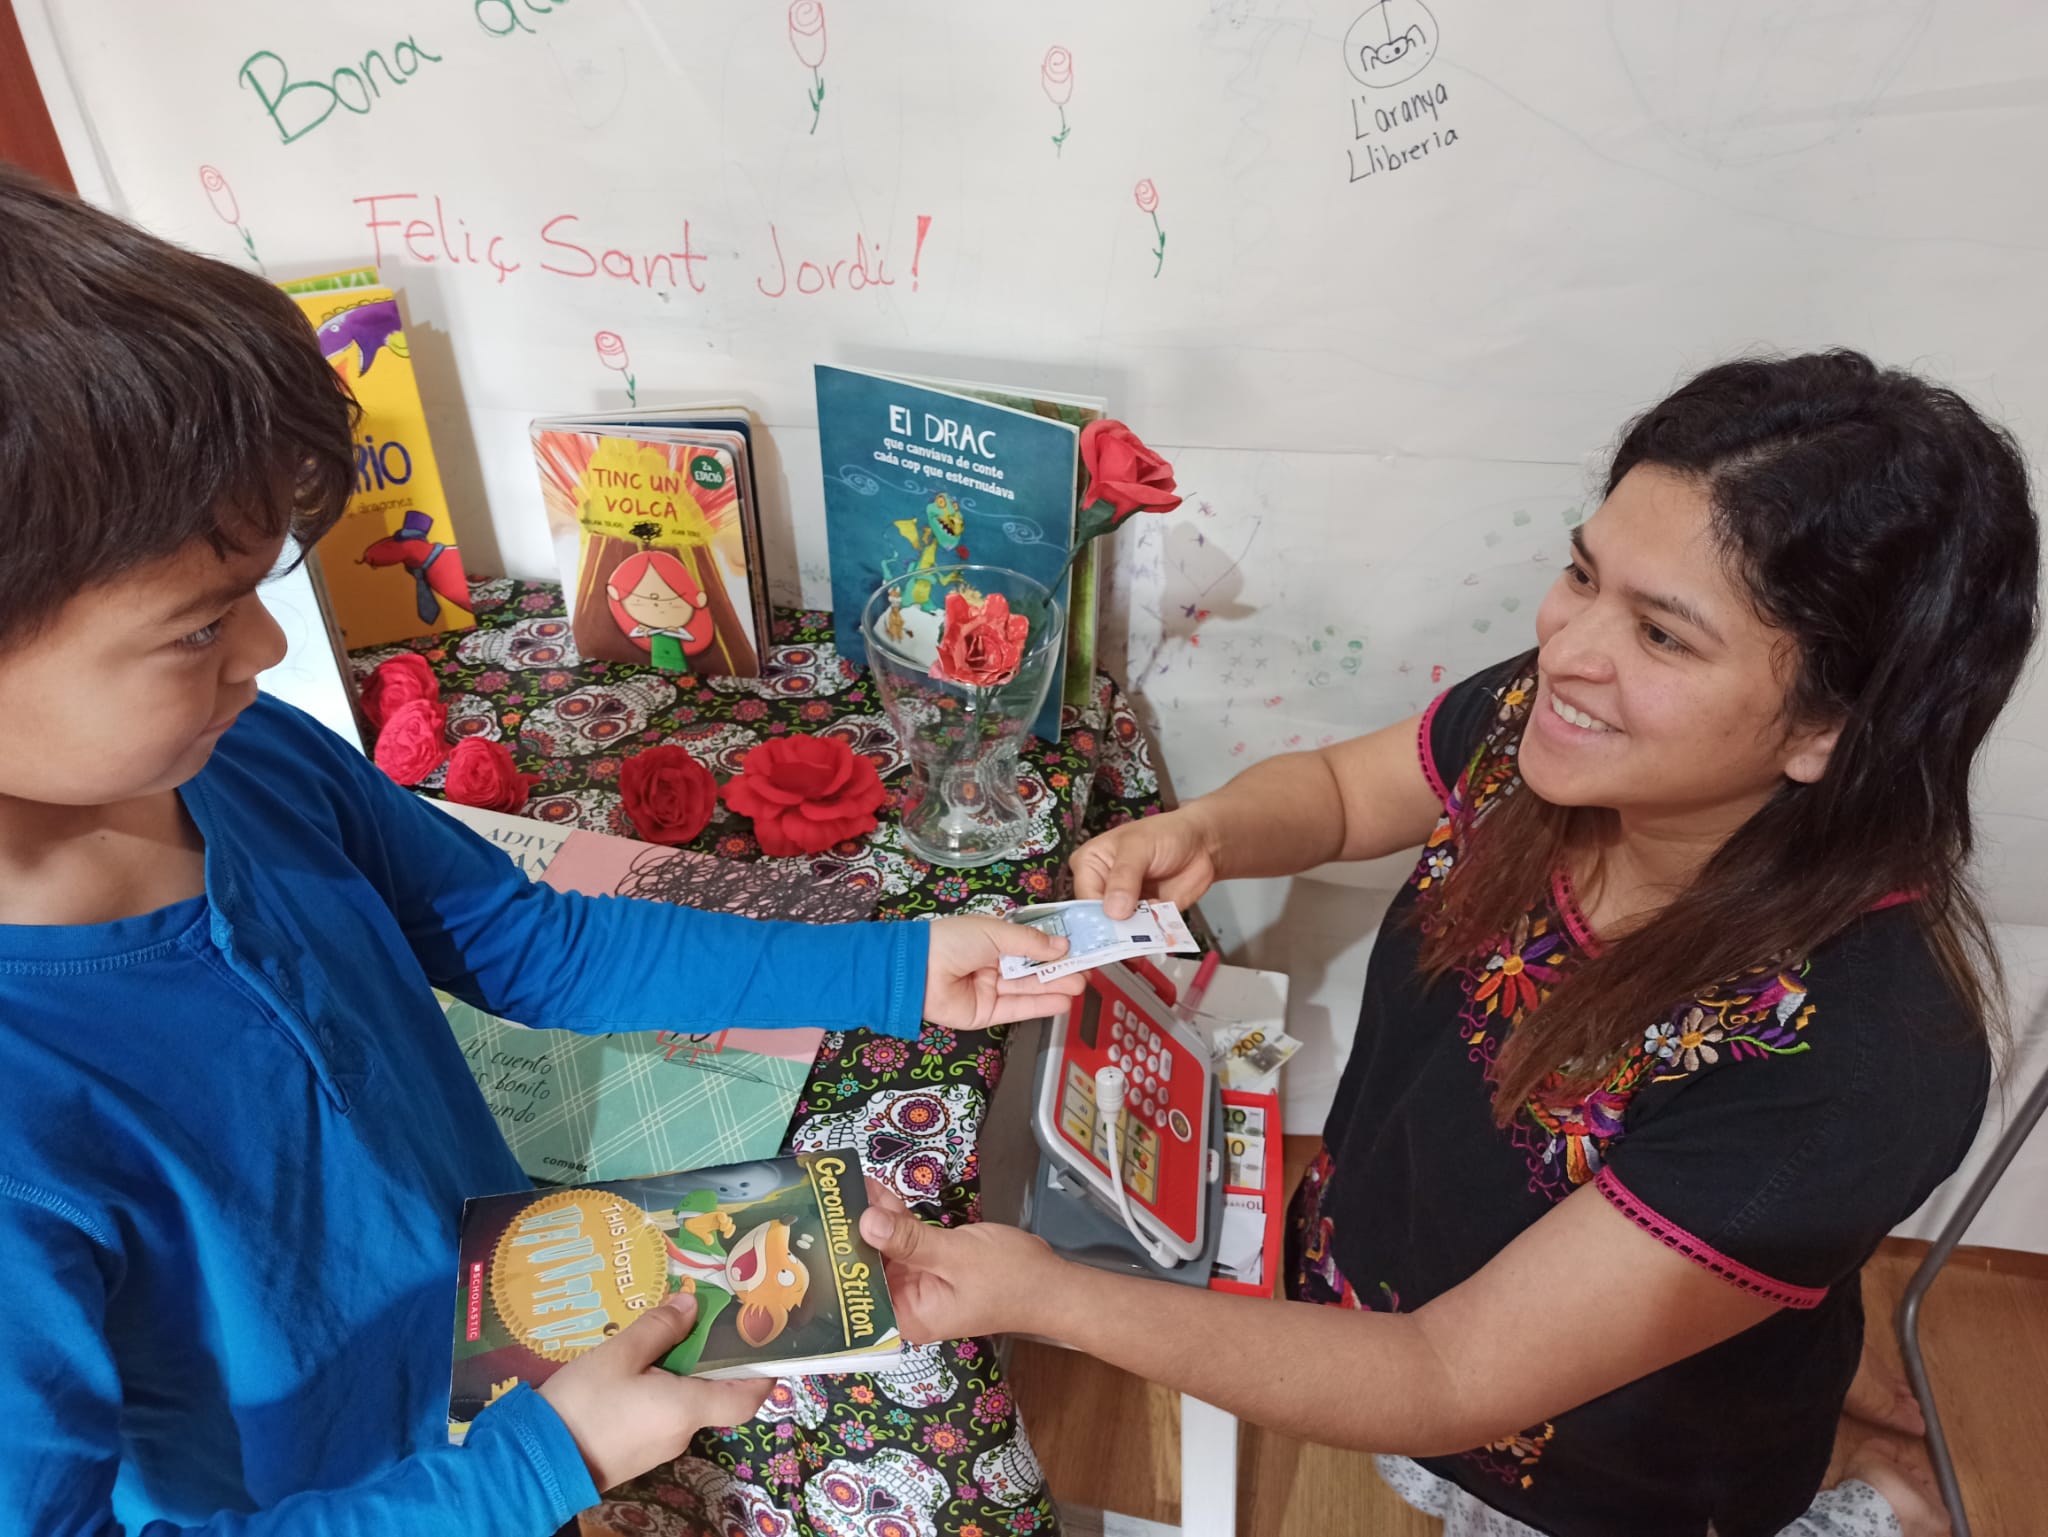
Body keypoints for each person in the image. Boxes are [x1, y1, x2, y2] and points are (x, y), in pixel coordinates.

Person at [0, 167, 1081, 1535]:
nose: (270, 655)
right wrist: (531, 1468)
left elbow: (528, 939)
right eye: (198, 626)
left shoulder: (243, 759)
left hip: (504, 1347)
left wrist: (902, 965)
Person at [857, 350, 2040, 1537]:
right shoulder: (1544, 724)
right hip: (1395, 1272)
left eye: (1663, 637)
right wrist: (1210, 826)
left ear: (1832, 727)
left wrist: (1050, 1297)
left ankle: (1872, 1490)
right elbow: (1333, 791)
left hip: (1602, 1469)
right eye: (1580, 575)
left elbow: (1442, 1379)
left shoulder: (1852, 1065)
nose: (1568, 651)